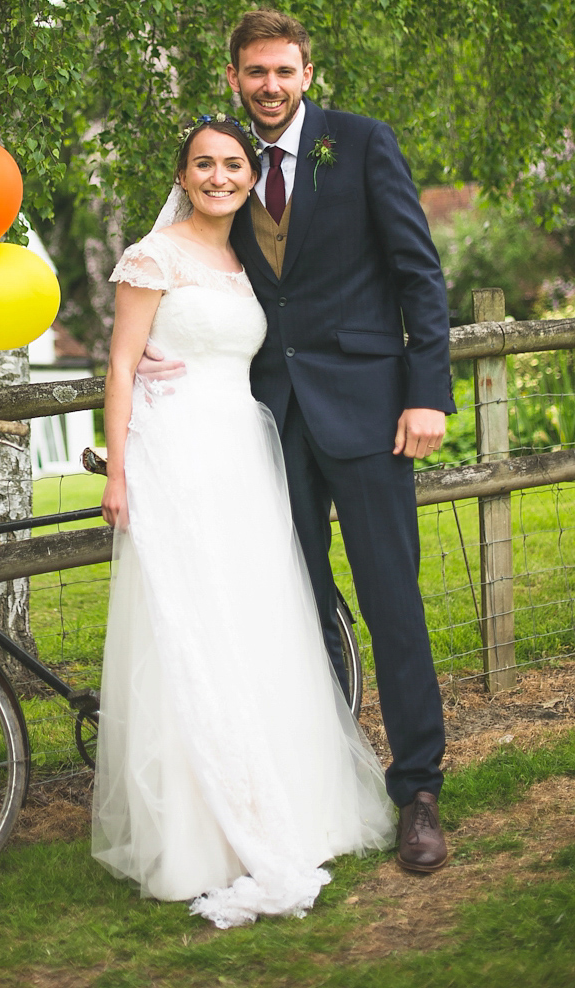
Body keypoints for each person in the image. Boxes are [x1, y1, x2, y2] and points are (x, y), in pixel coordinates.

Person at [139, 9, 455, 874]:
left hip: (370, 412)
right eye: (255, 73)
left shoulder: (360, 144)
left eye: (284, 72)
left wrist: (428, 394)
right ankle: (316, 782)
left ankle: (418, 792)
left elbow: (418, 275)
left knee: (392, 602)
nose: (269, 87)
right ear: (233, 77)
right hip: (266, 426)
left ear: (307, 73)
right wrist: (158, 356)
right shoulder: (227, 167)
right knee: (295, 606)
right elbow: (189, 263)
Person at [93, 117, 395, 929]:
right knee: (193, 627)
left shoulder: (246, 262)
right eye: (204, 164)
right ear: (183, 175)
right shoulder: (151, 257)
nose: (221, 175)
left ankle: (290, 804)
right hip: (176, 455)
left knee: (258, 624)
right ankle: (199, 838)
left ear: (249, 177)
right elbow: (121, 362)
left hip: (245, 457)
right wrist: (118, 470)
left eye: (234, 164)